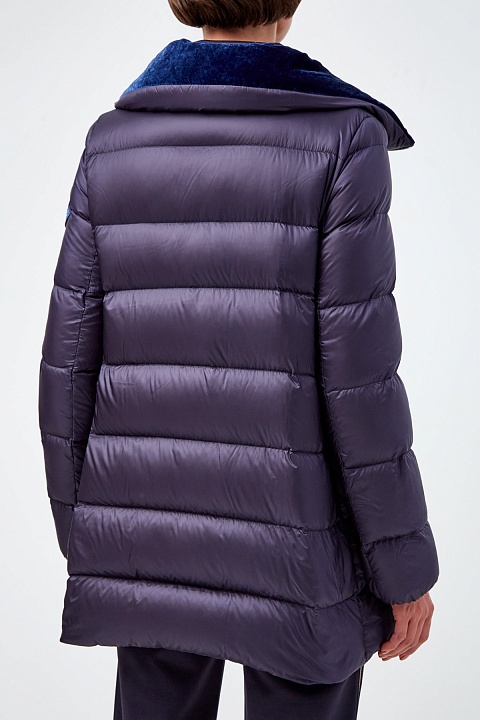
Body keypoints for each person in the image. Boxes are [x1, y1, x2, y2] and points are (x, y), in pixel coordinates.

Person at [38, 1, 439, 718]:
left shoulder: (112, 143)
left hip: (147, 538)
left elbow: (67, 365)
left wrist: (90, 536)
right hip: (301, 548)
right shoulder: (343, 137)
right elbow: (361, 381)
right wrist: (402, 569)